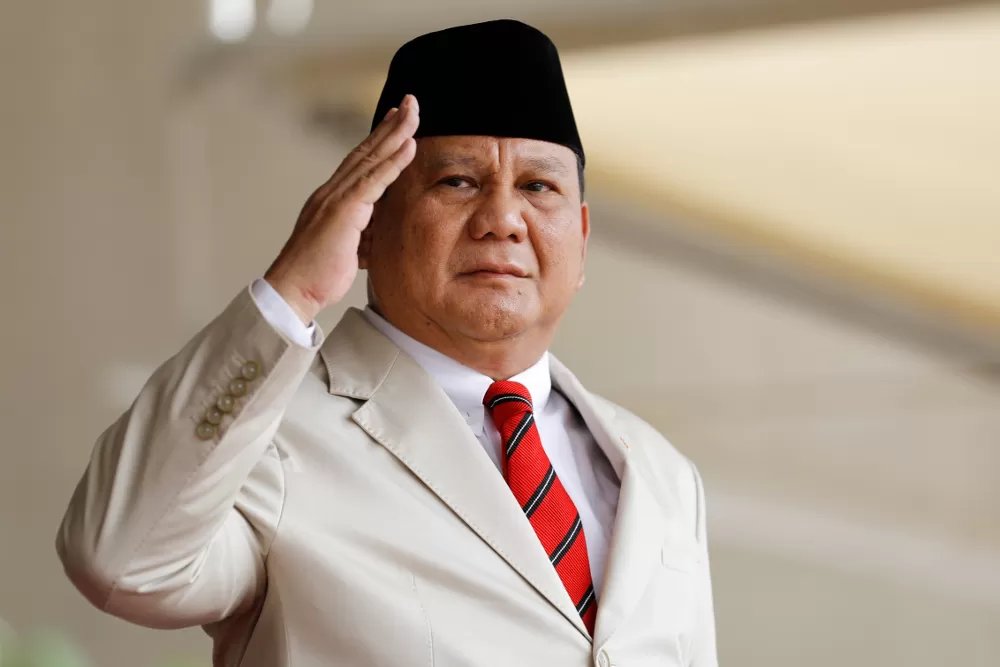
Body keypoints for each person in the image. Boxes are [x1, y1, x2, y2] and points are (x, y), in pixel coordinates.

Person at [56, 19, 718, 667]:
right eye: (457, 181)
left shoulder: (662, 475)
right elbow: (121, 560)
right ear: (367, 222)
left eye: (537, 186)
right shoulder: (271, 439)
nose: (502, 219)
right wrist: (294, 289)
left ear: (582, 238)